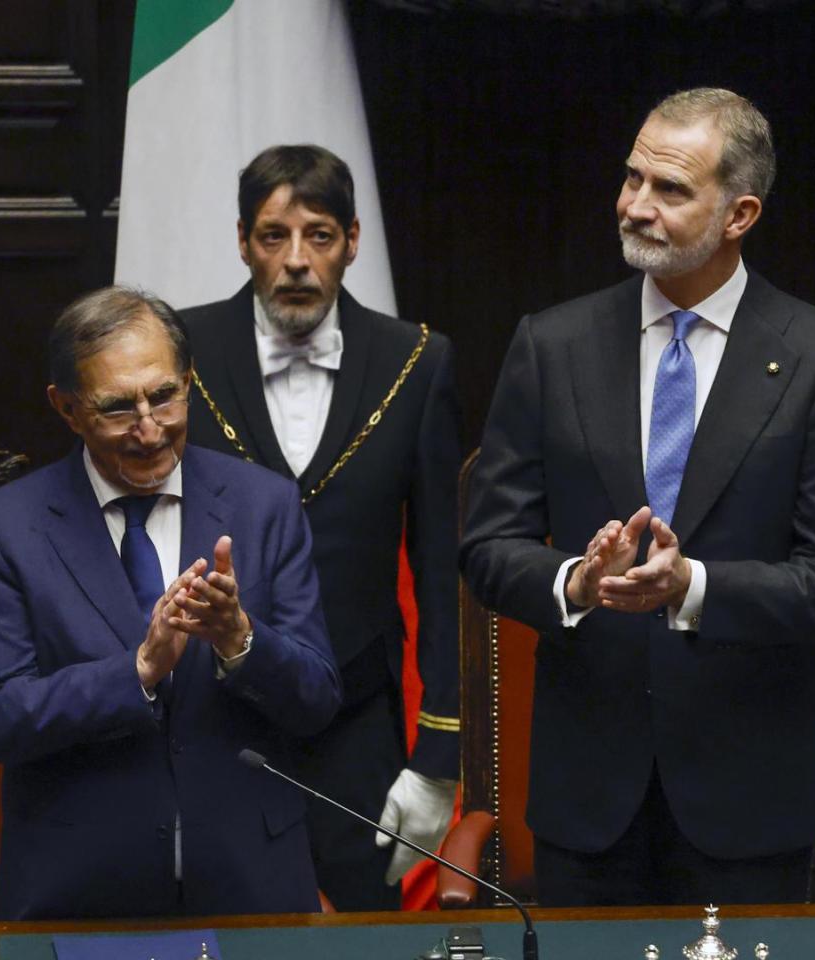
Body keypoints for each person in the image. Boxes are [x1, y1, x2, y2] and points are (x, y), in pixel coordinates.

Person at [460, 87, 815, 906]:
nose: (636, 207)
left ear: (740, 213)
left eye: (670, 190)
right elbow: (486, 547)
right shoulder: (551, 345)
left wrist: (694, 587)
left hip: (748, 802)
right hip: (588, 802)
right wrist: (574, 584)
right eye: (631, 180)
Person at [0, 287, 341, 919]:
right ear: (67, 408)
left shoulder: (264, 506)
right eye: (117, 408)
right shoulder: (7, 529)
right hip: (80, 894)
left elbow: (318, 699)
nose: (149, 428)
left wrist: (240, 641)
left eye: (165, 396)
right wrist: (137, 671)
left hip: (252, 885)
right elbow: (0, 718)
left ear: (188, 382)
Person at [181, 144, 461, 910]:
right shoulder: (181, 351)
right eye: (274, 237)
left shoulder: (419, 361)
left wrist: (439, 753)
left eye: (320, 236)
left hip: (358, 725)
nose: (297, 260)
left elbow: (439, 573)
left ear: (353, 241)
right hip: (218, 716)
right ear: (243, 242)